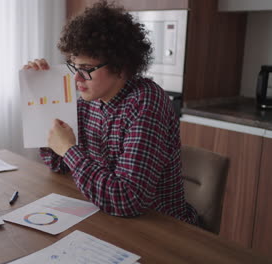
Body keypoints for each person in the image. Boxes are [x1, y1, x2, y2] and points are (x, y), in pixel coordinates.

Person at [23, 1, 198, 224]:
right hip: (108, 217)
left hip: (160, 228)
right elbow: (58, 164)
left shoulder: (146, 102)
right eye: (74, 67)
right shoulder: (88, 101)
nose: (77, 78)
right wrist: (42, 92)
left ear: (120, 66)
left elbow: (128, 199)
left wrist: (69, 149)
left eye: (86, 69)